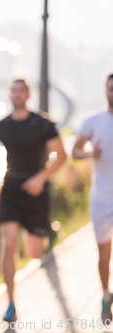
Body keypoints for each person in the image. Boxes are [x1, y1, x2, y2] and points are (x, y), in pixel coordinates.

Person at [0, 78, 67, 322]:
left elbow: (60, 155)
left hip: (37, 191)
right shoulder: (0, 125)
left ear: (28, 95)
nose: (16, 94)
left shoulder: (42, 124)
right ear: (9, 95)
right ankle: (10, 303)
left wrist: (41, 178)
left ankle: (46, 234)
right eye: (13, 91)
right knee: (8, 244)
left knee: (35, 252)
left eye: (21, 91)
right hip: (11, 189)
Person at [72, 73, 113, 323]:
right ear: (105, 90)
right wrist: (90, 153)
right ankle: (105, 294)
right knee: (104, 253)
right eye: (111, 88)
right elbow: (74, 150)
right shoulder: (93, 120)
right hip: (102, 196)